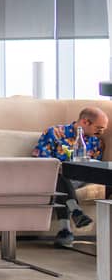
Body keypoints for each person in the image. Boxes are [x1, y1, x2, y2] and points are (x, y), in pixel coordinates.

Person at [32, 106, 108, 247]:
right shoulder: (54, 133)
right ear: (85, 122)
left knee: (64, 177)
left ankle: (67, 228)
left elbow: (94, 166)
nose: (101, 132)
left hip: (81, 179)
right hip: (53, 177)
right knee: (59, 174)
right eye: (99, 128)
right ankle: (74, 213)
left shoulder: (96, 142)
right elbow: (41, 161)